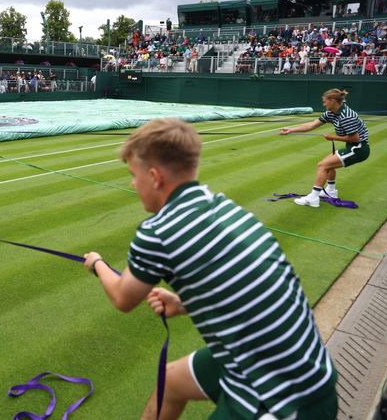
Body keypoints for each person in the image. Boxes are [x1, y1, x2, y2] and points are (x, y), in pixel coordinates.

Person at [84, 118, 338, 419]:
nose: (131, 183)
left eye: (132, 175)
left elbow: (124, 298)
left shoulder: (158, 230)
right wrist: (183, 303)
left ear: (154, 177)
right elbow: (247, 290)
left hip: (284, 400)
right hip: (309, 370)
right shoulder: (223, 206)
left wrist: (97, 263)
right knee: (172, 381)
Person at [280, 89, 369, 207]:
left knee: (322, 165)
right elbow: (312, 125)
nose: (324, 104)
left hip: (358, 149)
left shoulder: (346, 116)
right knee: (329, 165)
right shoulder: (331, 113)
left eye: (325, 101)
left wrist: (333, 137)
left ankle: (313, 198)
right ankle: (331, 192)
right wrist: (291, 130)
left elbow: (355, 139)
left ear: (332, 101)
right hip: (353, 147)